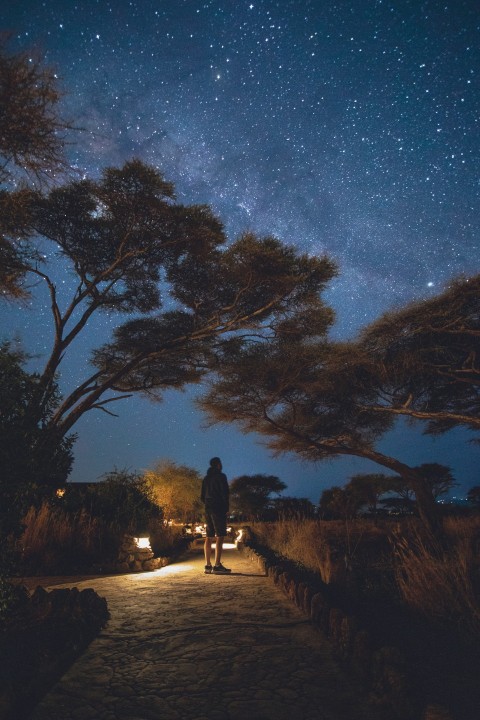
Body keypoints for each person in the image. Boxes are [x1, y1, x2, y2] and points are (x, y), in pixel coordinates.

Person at [201, 457, 231, 574]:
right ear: (218, 465)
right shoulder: (221, 476)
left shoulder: (206, 479)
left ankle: (207, 565)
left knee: (209, 536)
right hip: (218, 508)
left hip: (208, 508)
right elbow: (225, 493)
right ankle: (217, 565)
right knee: (220, 536)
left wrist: (208, 504)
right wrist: (226, 508)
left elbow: (202, 496)